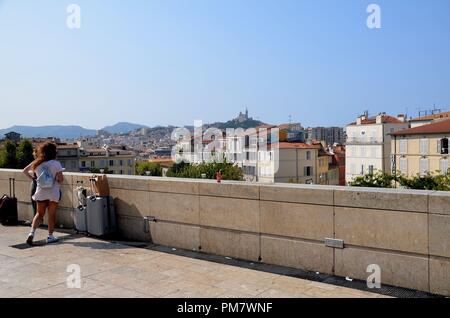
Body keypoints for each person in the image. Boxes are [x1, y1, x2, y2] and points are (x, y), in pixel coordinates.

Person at [22, 142, 64, 245]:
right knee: (51, 214)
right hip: (53, 192)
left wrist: (34, 179)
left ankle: (31, 233)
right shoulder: (56, 164)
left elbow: (24, 171)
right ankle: (50, 236)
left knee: (39, 214)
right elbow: (61, 179)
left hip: (41, 192)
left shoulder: (37, 163)